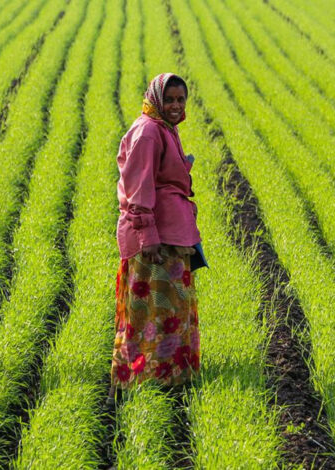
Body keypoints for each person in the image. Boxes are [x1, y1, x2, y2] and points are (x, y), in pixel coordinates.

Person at [110, 73, 206, 395]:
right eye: (170, 100)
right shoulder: (149, 132)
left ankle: (167, 375)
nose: (176, 106)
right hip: (155, 239)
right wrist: (147, 235)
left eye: (181, 100)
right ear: (155, 99)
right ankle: (139, 376)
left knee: (169, 309)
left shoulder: (166, 128)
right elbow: (138, 188)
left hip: (173, 234)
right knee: (147, 311)